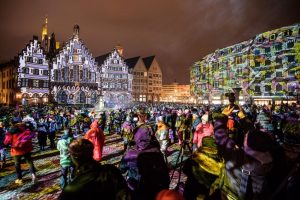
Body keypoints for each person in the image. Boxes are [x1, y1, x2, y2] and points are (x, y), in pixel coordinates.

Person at [59, 138, 131, 200]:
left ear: (75, 157)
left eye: (70, 154)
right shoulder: (111, 170)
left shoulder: (71, 189)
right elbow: (125, 195)